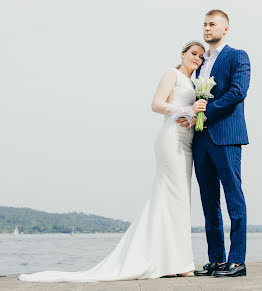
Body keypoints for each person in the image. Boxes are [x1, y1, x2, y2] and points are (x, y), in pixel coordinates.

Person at [19, 41, 206, 282]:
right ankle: (174, 262)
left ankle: (174, 260)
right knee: (172, 196)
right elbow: (156, 104)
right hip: (170, 141)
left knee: (179, 201)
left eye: (201, 57)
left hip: (187, 142)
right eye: (193, 53)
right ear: (182, 54)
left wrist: (192, 116)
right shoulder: (173, 74)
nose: (197, 59)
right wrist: (186, 109)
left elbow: (189, 113)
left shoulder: (194, 83)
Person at [178, 10, 251, 277]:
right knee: (209, 202)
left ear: (226, 28)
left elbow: (237, 92)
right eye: (205, 25)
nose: (207, 29)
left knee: (233, 198)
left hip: (227, 137)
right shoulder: (198, 62)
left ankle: (237, 260)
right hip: (201, 140)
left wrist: (205, 111)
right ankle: (216, 260)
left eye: (213, 24)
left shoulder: (237, 56)